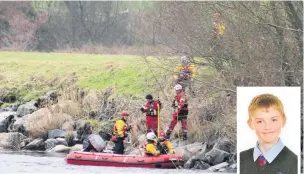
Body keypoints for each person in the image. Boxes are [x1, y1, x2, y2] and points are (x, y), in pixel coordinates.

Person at [240, 94, 297, 174]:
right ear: (250, 124)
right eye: (260, 121)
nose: (267, 127)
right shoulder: (241, 159)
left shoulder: (295, 163)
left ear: (283, 121)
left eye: (274, 120)